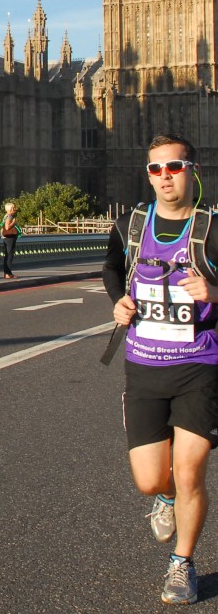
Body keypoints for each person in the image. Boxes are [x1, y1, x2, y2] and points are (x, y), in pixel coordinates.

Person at [102, 134, 218, 605]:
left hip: (200, 365)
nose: (165, 176)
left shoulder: (211, 228)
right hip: (145, 366)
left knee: (190, 472)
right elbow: (112, 269)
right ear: (148, 175)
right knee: (151, 479)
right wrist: (119, 301)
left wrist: (214, 293)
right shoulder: (129, 225)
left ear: (193, 171)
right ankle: (164, 496)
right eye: (156, 168)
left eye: (174, 167)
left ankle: (182, 563)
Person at [1, 202, 19, 279]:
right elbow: (7, 227)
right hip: (9, 238)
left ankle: (7, 273)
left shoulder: (6, 216)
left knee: (7, 255)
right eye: (13, 208)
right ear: (10, 209)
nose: (15, 209)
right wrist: (14, 222)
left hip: (7, 238)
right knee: (9, 255)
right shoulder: (9, 217)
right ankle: (8, 273)